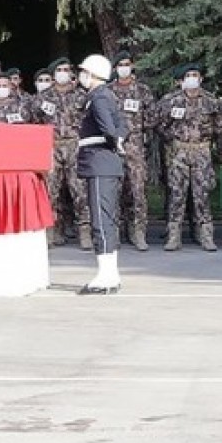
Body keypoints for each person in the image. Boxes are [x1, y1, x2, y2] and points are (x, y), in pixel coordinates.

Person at [153, 63, 221, 251]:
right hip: (179, 153)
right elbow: (157, 123)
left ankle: (206, 236)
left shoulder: (210, 101)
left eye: (195, 75)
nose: (192, 78)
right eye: (188, 75)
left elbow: (220, 127)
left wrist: (211, 144)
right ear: (180, 81)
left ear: (201, 79)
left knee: (202, 195)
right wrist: (170, 139)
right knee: (177, 195)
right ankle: (174, 236)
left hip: (202, 152)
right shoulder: (170, 101)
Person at [75, 54, 128, 294]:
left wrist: (115, 142)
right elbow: (123, 125)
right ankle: (110, 273)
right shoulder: (105, 96)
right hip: (102, 162)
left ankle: (106, 275)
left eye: (84, 71)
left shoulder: (99, 97)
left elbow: (109, 129)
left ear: (93, 74)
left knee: (101, 219)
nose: (81, 76)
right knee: (106, 217)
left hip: (99, 161)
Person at [33, 57, 90, 248]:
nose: (63, 73)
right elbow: (34, 120)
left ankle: (85, 231)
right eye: (60, 69)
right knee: (51, 191)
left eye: (66, 69)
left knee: (80, 190)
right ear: (53, 74)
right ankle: (51, 231)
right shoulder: (43, 97)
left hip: (75, 145)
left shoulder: (81, 96)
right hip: (51, 145)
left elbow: (90, 120)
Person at [106, 52, 155, 251]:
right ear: (115, 68)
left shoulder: (142, 91)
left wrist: (140, 135)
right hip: (112, 147)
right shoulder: (107, 91)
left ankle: (138, 231)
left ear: (132, 66)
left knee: (137, 190)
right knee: (113, 191)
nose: (124, 68)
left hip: (135, 147)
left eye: (127, 64)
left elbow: (151, 119)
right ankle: (114, 231)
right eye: (120, 65)